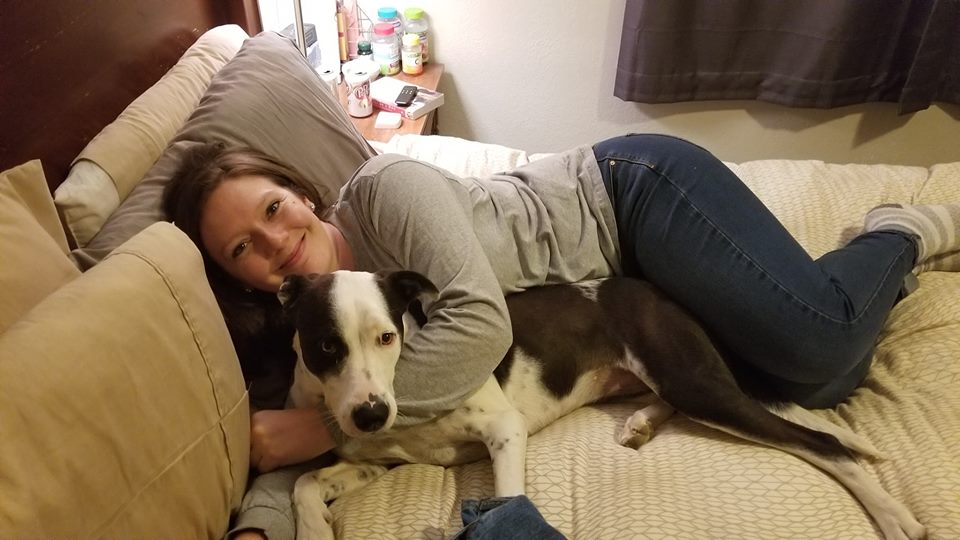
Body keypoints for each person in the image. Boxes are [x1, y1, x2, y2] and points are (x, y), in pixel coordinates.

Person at [162, 134, 960, 539]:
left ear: (300, 192)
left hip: (630, 201)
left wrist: (331, 423)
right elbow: (278, 425)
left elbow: (480, 326)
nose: (273, 241)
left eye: (272, 208)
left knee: (816, 342)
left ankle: (898, 233)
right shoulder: (316, 322)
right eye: (241, 249)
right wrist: (256, 523)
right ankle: (854, 284)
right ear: (243, 280)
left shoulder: (384, 192)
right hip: (622, 288)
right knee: (819, 382)